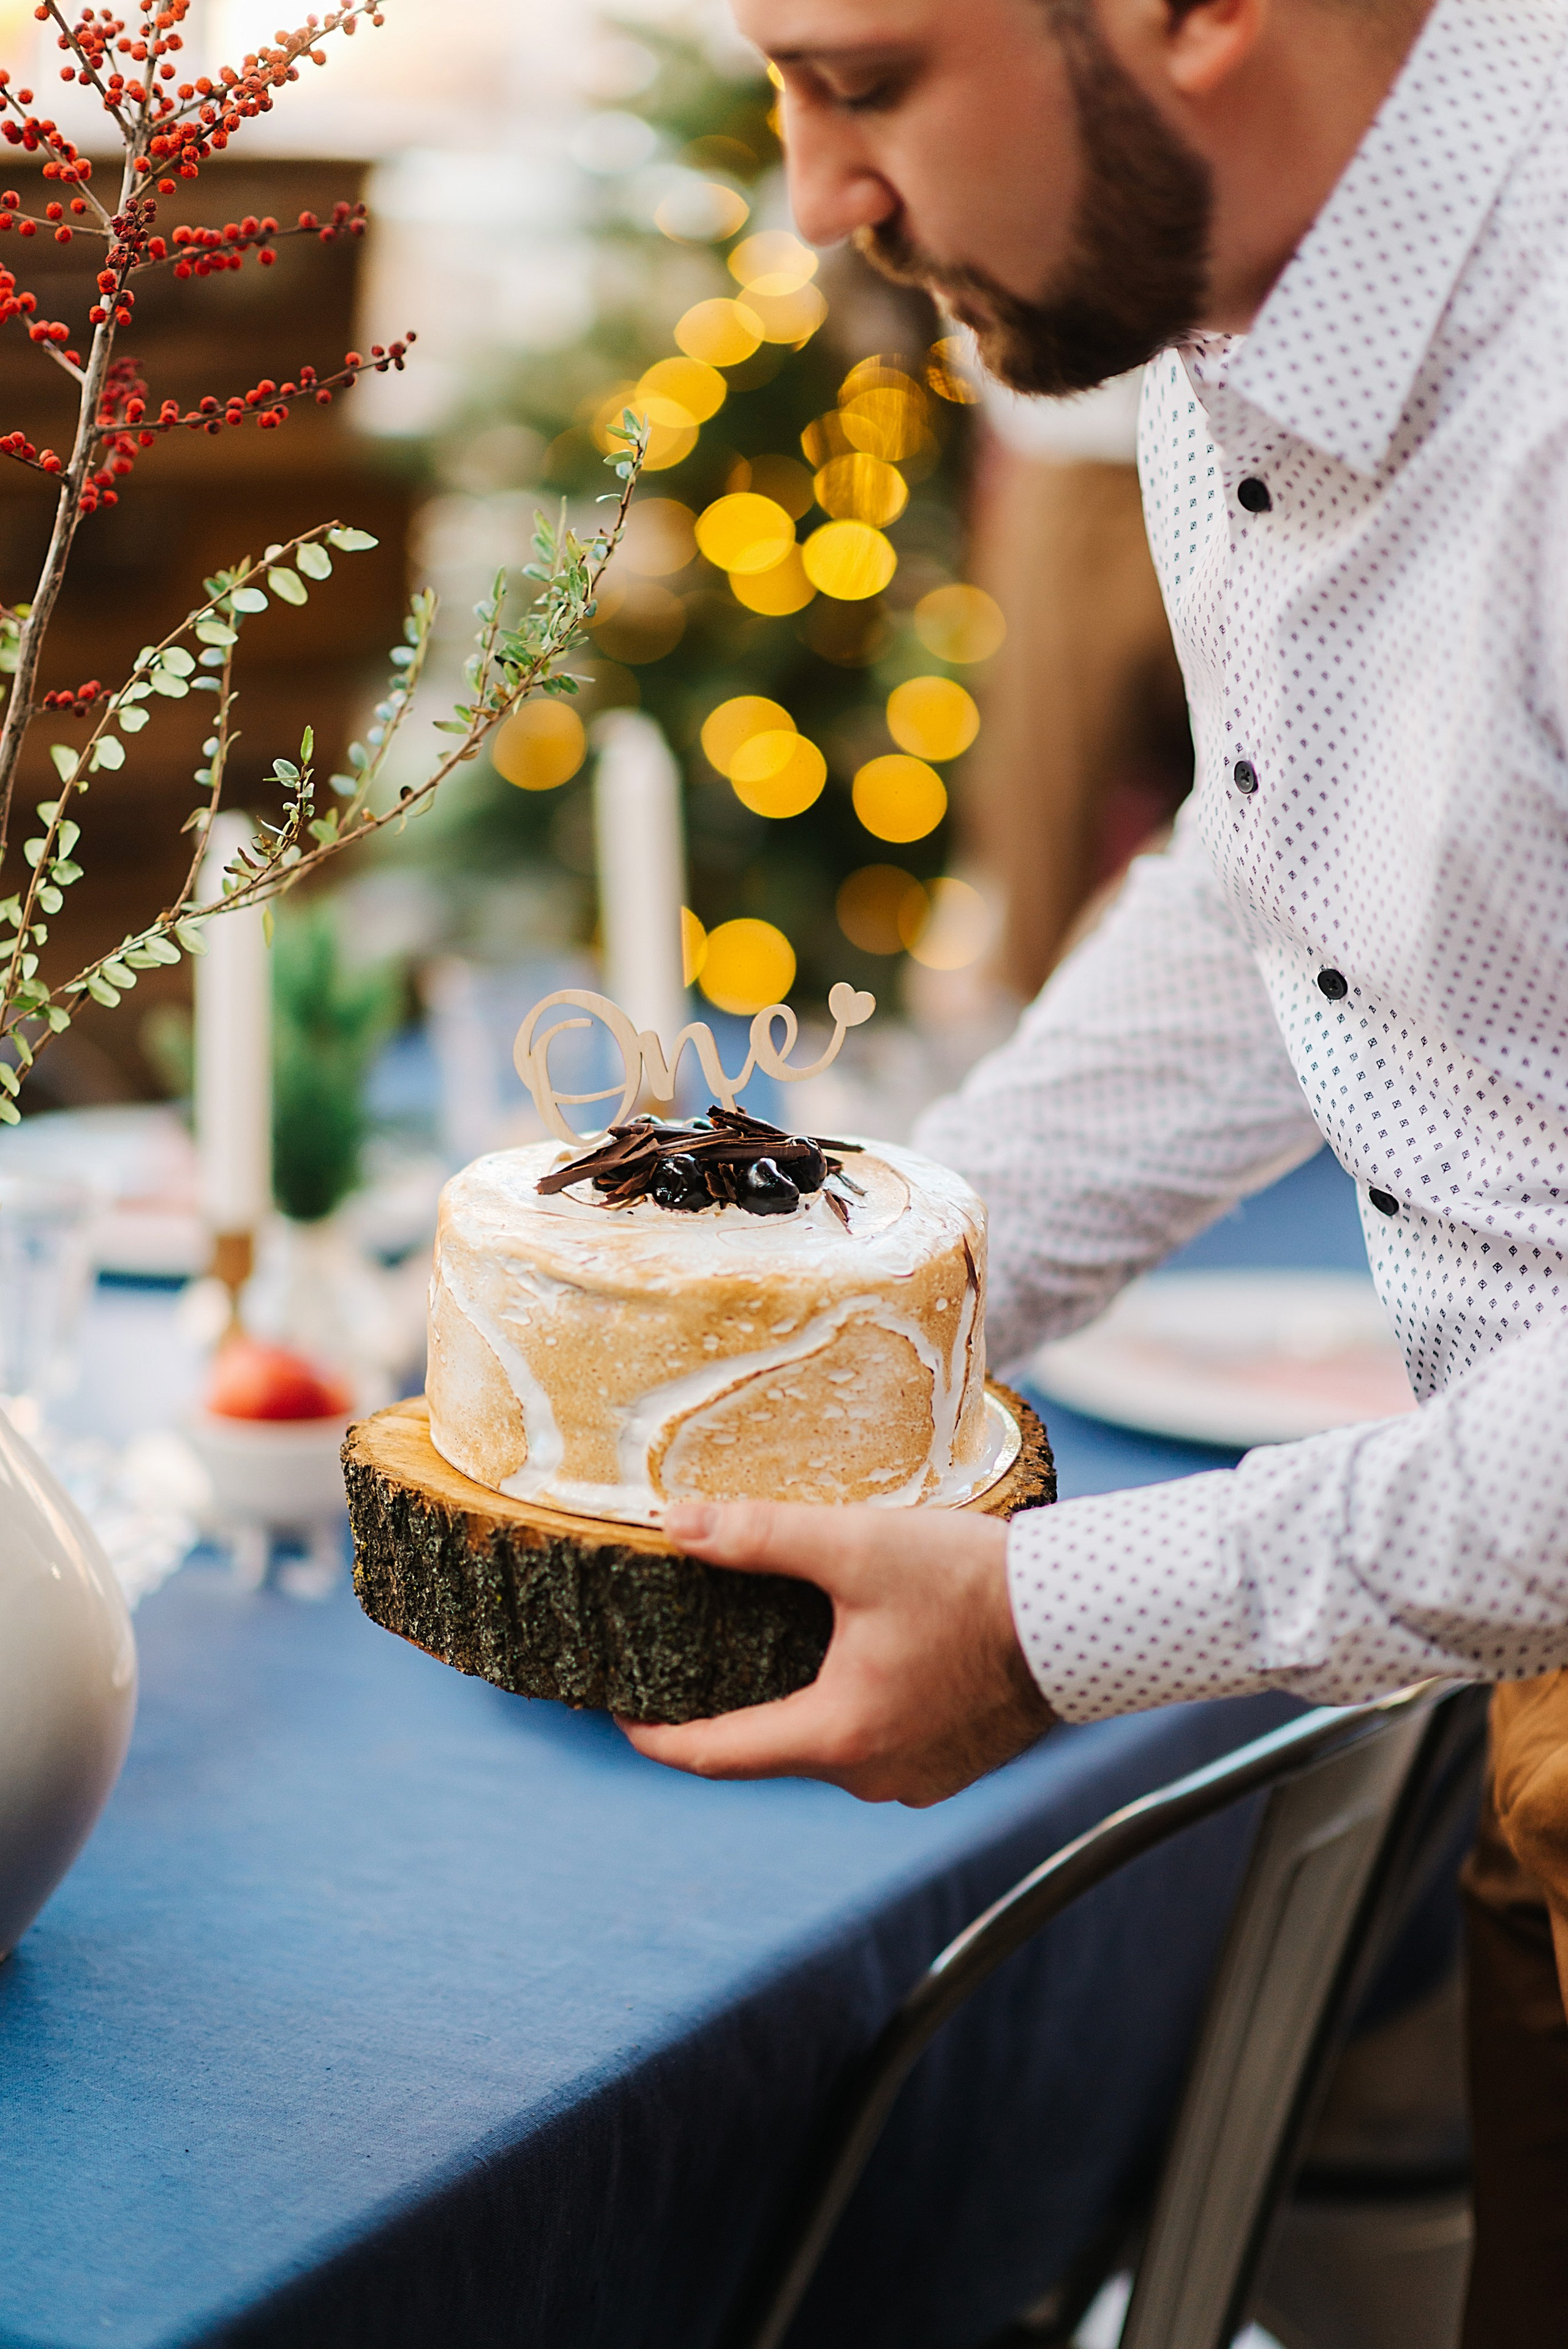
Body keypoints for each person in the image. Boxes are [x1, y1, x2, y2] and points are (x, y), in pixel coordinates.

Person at [618, 0, 1568, 2332]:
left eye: (862, 81)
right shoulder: (1237, 292)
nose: (813, 196)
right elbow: (1290, 895)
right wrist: (840, 1322)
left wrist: (1050, 1627)